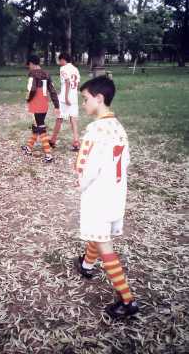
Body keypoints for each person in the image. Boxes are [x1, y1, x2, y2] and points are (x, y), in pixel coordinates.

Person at [73, 75, 139, 318]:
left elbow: (88, 168)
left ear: (99, 98)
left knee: (104, 244)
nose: (84, 104)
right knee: (100, 234)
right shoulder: (118, 127)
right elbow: (127, 161)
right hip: (116, 192)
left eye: (86, 99)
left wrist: (80, 184)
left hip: (99, 195)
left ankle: (127, 300)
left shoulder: (94, 131)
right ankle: (86, 265)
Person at [21, 54, 60, 162]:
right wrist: (57, 105)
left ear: (31, 64)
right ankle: (29, 148)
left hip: (36, 104)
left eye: (29, 65)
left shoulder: (32, 74)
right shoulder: (46, 74)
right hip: (44, 104)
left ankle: (48, 154)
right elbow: (52, 91)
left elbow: (32, 89)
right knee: (36, 125)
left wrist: (28, 98)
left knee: (40, 127)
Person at [49, 51, 80, 151]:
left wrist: (66, 97)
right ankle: (76, 142)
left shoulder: (63, 68)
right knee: (73, 119)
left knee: (59, 118)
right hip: (74, 98)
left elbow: (67, 81)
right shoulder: (75, 69)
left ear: (63, 59)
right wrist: (73, 94)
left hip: (64, 98)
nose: (59, 62)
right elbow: (77, 84)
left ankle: (53, 140)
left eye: (59, 60)